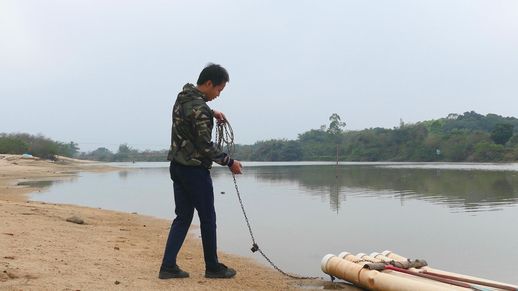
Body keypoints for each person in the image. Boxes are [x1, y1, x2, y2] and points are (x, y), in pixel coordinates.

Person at [159, 63, 243, 280]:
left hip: (177, 168)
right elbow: (206, 146)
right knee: (208, 218)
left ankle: (168, 267)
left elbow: (193, 112)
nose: (218, 94)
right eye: (219, 90)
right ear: (209, 84)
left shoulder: (183, 98)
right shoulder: (200, 110)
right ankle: (213, 267)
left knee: (183, 217)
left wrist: (211, 111)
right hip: (194, 171)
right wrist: (229, 162)